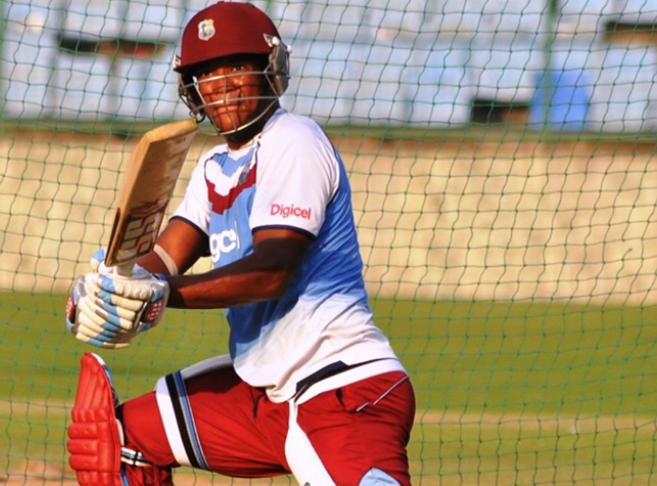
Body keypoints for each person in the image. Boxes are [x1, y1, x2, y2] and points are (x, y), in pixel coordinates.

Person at [64, 2, 415, 485]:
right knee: (115, 442)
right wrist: (109, 287)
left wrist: (162, 296)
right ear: (192, 89)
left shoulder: (293, 140)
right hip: (266, 395)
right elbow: (165, 257)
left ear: (271, 71)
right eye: (207, 72)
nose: (223, 83)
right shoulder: (213, 167)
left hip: (341, 390)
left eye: (236, 66)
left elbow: (271, 271)